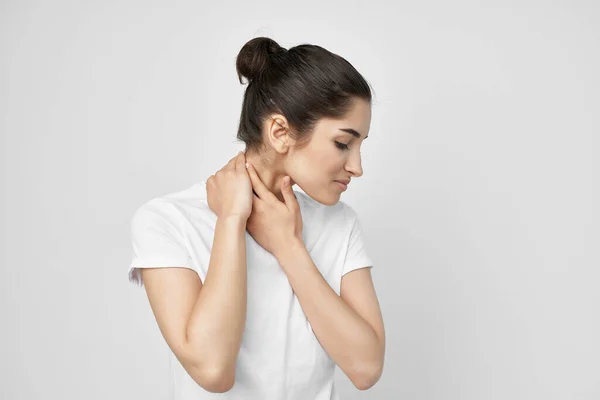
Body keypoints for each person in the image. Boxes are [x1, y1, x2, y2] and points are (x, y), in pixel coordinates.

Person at [127, 36, 385, 400]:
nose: (357, 167)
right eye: (343, 143)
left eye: (361, 146)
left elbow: (366, 368)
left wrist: (288, 246)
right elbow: (213, 370)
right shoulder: (167, 220)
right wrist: (231, 220)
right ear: (280, 132)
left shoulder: (340, 223)